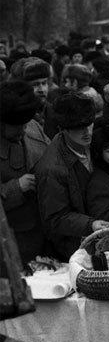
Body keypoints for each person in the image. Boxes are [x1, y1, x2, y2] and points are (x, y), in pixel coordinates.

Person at [36, 91, 109, 260]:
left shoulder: (97, 140)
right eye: (79, 128)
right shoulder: (51, 169)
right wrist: (90, 224)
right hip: (73, 249)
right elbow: (55, 218)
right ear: (63, 129)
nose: (87, 132)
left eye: (89, 124)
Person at [0, 80, 50, 264]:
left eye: (25, 124)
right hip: (9, 245)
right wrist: (16, 187)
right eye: (17, 127)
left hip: (42, 237)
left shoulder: (32, 126)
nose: (23, 131)